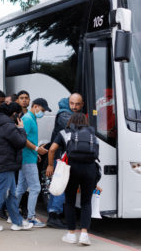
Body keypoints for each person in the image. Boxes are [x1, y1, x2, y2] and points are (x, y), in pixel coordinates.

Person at [47, 113, 98, 246]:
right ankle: (84, 234)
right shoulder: (92, 133)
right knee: (86, 202)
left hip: (71, 169)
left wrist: (50, 165)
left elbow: (52, 149)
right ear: (85, 122)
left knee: (69, 201)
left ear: (70, 121)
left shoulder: (64, 132)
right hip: (89, 169)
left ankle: (71, 234)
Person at [0, 102, 33, 232]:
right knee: (1, 193)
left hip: (1, 164)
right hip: (3, 165)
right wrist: (21, 128)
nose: (20, 116)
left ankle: (18, 222)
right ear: (15, 114)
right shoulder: (8, 126)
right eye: (20, 114)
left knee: (11, 195)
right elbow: (20, 142)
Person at [46, 93, 84, 229]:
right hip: (61, 157)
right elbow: (74, 128)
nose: (74, 107)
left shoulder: (70, 113)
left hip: (62, 156)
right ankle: (54, 215)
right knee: (61, 186)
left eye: (77, 104)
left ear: (82, 104)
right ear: (68, 102)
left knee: (58, 185)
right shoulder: (64, 114)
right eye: (72, 103)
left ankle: (53, 214)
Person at [16, 98, 51, 228]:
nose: (43, 113)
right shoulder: (28, 119)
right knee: (35, 188)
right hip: (27, 159)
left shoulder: (30, 118)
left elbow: (27, 139)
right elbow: (22, 139)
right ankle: (31, 217)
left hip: (28, 157)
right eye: (42, 110)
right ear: (35, 106)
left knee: (20, 188)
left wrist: (35, 152)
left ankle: (12, 214)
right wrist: (37, 149)